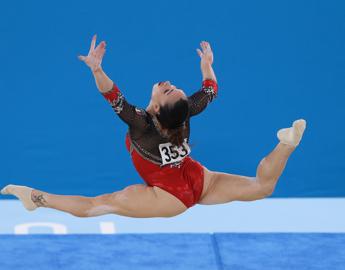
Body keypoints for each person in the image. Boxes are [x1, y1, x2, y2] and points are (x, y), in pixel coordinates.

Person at [1, 36, 306, 218]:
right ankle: (287, 144)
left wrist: (97, 69)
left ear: (157, 107)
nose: (169, 84)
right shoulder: (185, 111)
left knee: (98, 205)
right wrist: (206, 66)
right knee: (262, 186)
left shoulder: (141, 123)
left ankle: (35, 198)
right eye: (174, 88)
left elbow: (112, 94)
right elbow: (211, 89)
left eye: (168, 90)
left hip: (167, 195)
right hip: (199, 179)